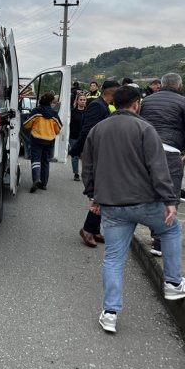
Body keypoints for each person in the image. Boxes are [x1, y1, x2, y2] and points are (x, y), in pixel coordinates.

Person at [82, 85, 185, 333]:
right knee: (170, 231)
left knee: (113, 258)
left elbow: (88, 166)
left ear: (115, 103)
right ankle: (173, 283)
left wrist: (92, 195)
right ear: (137, 104)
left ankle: (110, 313)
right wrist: (170, 200)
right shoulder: (145, 129)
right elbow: (158, 168)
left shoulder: (98, 129)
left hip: (112, 205)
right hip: (145, 202)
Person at [139, 73, 185, 255]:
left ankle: (155, 236)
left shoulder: (147, 101)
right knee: (170, 195)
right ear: (179, 86)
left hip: (146, 152)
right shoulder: (184, 102)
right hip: (169, 152)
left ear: (160, 85)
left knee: (151, 193)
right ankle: (161, 241)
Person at [70, 79, 120, 247]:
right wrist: (78, 150)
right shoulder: (97, 106)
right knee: (99, 192)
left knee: (101, 191)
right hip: (94, 153)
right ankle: (88, 229)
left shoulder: (103, 106)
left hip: (100, 152)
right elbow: (88, 131)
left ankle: (95, 229)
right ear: (112, 93)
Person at [24, 91, 62, 192]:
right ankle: (43, 183)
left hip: (36, 139)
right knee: (45, 161)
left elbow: (27, 124)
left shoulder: (36, 111)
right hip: (49, 141)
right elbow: (58, 128)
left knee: (36, 160)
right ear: (50, 102)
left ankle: (36, 179)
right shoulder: (54, 114)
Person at [69, 92, 87, 181]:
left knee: (85, 156)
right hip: (74, 136)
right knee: (75, 156)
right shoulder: (72, 112)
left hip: (85, 137)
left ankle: (85, 173)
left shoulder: (88, 112)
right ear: (77, 101)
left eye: (84, 100)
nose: (83, 101)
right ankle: (76, 173)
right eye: (81, 99)